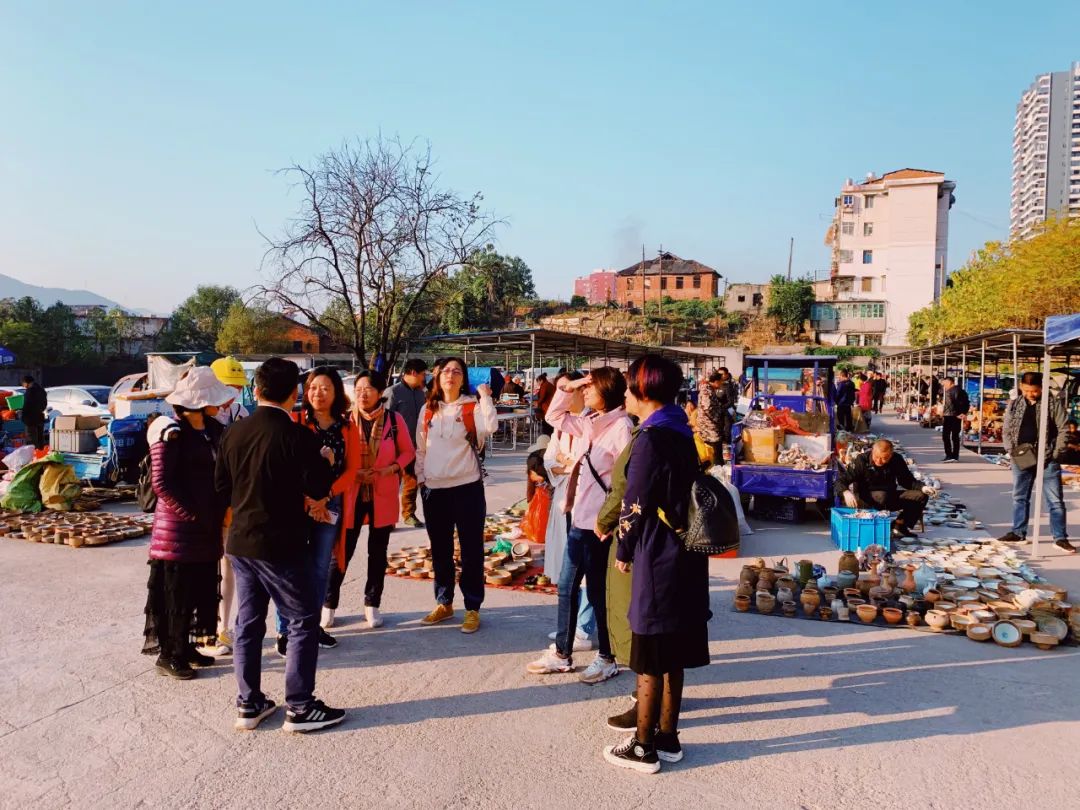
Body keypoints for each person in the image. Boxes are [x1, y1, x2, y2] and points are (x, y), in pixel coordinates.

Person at [215, 357, 344, 733]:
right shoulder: (298, 437)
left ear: (255, 390)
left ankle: (249, 702)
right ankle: (300, 706)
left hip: (240, 541)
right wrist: (326, 458)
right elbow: (319, 487)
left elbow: (221, 488)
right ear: (295, 393)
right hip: (280, 543)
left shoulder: (234, 433)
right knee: (303, 619)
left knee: (248, 621)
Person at [603, 355, 710, 773]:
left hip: (657, 552)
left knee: (651, 649)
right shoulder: (680, 430)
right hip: (684, 550)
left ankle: (643, 746)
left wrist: (625, 552)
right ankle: (669, 736)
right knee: (675, 648)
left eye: (630, 387)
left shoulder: (649, 439)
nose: (626, 394)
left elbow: (635, 504)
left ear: (644, 392)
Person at [527, 367, 633, 684]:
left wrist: (611, 520)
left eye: (591, 387)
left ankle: (607, 657)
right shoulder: (589, 423)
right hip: (579, 517)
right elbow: (555, 417)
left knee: (599, 592)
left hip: (600, 524)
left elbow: (625, 482)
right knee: (566, 587)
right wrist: (568, 386)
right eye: (584, 388)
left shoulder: (622, 428)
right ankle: (562, 654)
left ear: (607, 390)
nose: (585, 392)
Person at [141, 368, 233, 679]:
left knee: (199, 589)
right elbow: (162, 483)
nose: (220, 404)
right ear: (199, 401)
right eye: (214, 399)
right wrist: (193, 514)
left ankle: (187, 646)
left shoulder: (212, 430)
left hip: (206, 526)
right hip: (177, 530)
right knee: (175, 594)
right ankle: (169, 654)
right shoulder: (172, 432)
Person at [273, 367, 360, 654]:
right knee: (291, 567)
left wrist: (326, 496)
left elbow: (352, 470)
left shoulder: (347, 427)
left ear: (336, 392)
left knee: (321, 567)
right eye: (312, 388)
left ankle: (311, 625)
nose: (317, 393)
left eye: (324, 388)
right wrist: (311, 498)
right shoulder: (295, 421)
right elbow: (285, 466)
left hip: (329, 505)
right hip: (297, 505)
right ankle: (286, 629)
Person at [325, 370, 415, 629]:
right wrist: (351, 472)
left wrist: (391, 468)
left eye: (368, 389)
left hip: (382, 492)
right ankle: (328, 604)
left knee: (378, 553)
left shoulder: (393, 420)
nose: (362, 393)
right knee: (341, 552)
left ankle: (371, 604)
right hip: (350, 494)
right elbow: (336, 456)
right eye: (359, 388)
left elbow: (408, 452)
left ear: (380, 393)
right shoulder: (343, 421)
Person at [415, 357, 498, 633]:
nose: (450, 375)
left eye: (457, 371)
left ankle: (472, 607)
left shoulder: (471, 407)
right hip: (434, 490)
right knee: (440, 550)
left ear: (464, 379)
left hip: (467, 488)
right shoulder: (428, 410)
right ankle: (444, 602)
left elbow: (490, 427)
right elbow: (420, 448)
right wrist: (421, 479)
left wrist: (484, 396)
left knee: (471, 549)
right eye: (446, 371)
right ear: (437, 377)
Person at [200, 356, 250, 658]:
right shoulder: (198, 418)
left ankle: (223, 626)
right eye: (226, 387)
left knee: (229, 566)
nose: (230, 395)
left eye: (236, 387)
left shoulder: (242, 414)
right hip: (205, 506)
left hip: (234, 505)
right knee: (206, 568)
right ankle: (203, 628)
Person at [542, 371, 596, 651]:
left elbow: (586, 464)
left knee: (585, 567)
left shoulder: (593, 420)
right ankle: (572, 624)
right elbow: (550, 459)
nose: (562, 394)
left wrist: (567, 462)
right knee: (568, 566)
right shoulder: (562, 426)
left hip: (586, 500)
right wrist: (566, 463)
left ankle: (585, 630)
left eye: (568, 389)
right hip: (564, 494)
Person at [998, 372, 1074, 553]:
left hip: (1047, 458)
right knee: (1019, 497)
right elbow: (1007, 428)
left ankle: (1060, 537)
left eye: (1034, 391)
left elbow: (1064, 429)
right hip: (1021, 457)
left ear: (1041, 388)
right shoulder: (1015, 403)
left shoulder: (1053, 404)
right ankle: (1018, 532)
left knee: (1055, 500)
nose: (1030, 394)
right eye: (1026, 390)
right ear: (1021, 387)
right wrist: (1010, 449)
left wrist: (1056, 453)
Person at [836, 438, 933, 540]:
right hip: (866, 499)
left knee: (921, 496)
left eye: (884, 458)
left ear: (891, 455)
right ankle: (879, 525)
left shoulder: (896, 459)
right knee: (882, 496)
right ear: (873, 451)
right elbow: (841, 481)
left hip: (889, 496)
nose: (879, 461)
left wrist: (923, 487)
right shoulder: (861, 460)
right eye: (876, 457)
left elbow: (906, 480)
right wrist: (845, 492)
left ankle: (899, 525)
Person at [384, 358, 428, 528]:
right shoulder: (393, 392)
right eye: (423, 374)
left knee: (412, 481)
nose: (424, 378)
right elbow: (384, 419)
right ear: (413, 373)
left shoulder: (420, 393)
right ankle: (388, 519)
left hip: (414, 445)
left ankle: (409, 514)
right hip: (394, 447)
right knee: (391, 484)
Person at [697, 370, 736, 466]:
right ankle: (716, 470)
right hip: (709, 427)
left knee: (715, 450)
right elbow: (708, 408)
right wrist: (718, 416)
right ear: (716, 381)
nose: (722, 384)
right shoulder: (707, 391)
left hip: (710, 426)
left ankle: (716, 467)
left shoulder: (709, 389)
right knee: (715, 452)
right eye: (721, 381)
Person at [941, 377, 969, 463]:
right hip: (955, 415)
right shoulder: (960, 390)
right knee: (955, 436)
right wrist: (963, 413)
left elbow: (956, 403)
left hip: (951, 416)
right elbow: (966, 402)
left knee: (946, 436)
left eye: (944, 384)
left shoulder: (952, 391)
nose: (944, 386)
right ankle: (954, 455)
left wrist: (959, 413)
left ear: (949, 382)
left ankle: (949, 455)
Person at [19, 375, 48, 449]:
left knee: (31, 440)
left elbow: (27, 405)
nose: (23, 386)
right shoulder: (42, 390)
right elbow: (44, 404)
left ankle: (34, 457)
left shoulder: (30, 391)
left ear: (26, 383)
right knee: (40, 439)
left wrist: (22, 415)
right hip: (40, 417)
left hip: (30, 419)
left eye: (23, 384)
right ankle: (41, 455)